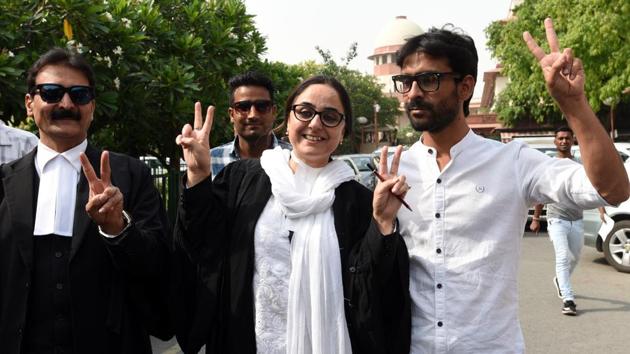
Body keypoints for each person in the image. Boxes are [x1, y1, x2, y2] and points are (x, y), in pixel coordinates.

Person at [392, 19, 629, 353]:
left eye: (429, 80)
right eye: (405, 81)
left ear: (465, 87)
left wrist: (574, 105)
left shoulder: (512, 162)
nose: (413, 93)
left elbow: (613, 190)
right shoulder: (394, 168)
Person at [175, 75, 411, 353]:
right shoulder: (243, 179)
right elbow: (202, 243)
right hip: (249, 341)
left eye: (330, 116)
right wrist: (198, 177)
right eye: (305, 112)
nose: (315, 124)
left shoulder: (357, 201)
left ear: (343, 129)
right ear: (287, 121)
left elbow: (374, 289)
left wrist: (383, 224)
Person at [0, 48, 171, 354]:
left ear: (92, 106)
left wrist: (118, 228)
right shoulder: (3, 182)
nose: (66, 104)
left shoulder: (131, 175)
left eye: (79, 95)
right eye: (51, 93)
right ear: (30, 103)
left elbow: (159, 265)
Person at [529, 126, 606, 316]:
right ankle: (568, 299)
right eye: (560, 138)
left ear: (573, 141)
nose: (564, 141)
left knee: (575, 258)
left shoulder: (580, 166)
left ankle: (559, 281)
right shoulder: (549, 165)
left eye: (567, 138)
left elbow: (591, 189)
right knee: (562, 257)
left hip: (577, 220)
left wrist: (601, 210)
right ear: (555, 142)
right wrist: (536, 218)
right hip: (557, 220)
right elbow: (542, 194)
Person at [210, 71, 291, 179]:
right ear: (231, 114)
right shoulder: (210, 160)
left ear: (273, 112)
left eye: (262, 106)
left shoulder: (294, 158)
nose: (253, 115)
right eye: (243, 107)